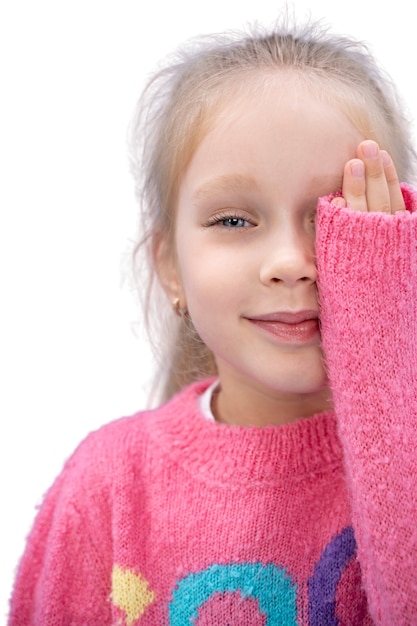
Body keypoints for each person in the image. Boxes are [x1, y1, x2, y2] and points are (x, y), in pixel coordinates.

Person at [8, 15, 417, 626]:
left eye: (333, 215)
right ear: (171, 267)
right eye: (233, 220)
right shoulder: (107, 489)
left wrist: (383, 342)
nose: (288, 263)